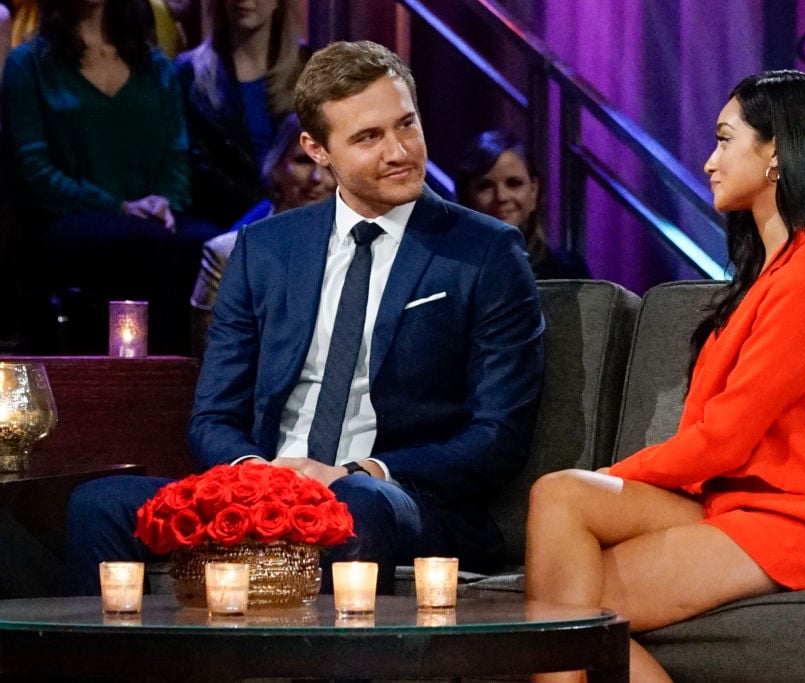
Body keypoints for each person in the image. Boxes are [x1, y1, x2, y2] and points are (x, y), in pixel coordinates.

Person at [66, 40, 545, 596]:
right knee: (97, 505)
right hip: (267, 485)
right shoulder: (264, 248)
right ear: (317, 149)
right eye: (368, 137)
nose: (398, 151)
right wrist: (258, 475)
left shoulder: (485, 251)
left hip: (401, 495)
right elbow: (213, 416)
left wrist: (360, 472)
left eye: (406, 125)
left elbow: (497, 435)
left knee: (355, 504)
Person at [524, 70, 805, 682]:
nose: (708, 162)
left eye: (725, 140)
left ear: (777, 152)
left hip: (798, 524)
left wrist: (611, 477)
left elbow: (723, 439)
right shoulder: (770, 272)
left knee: (562, 606)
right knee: (558, 528)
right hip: (735, 505)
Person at [0, 0, 220, 354]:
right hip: (67, 220)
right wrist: (119, 207)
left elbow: (176, 156)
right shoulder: (28, 64)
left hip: (153, 220)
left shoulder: (156, 66)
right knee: (147, 244)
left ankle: (188, 378)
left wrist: (164, 201)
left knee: (210, 245)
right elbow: (35, 170)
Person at [189, 111, 337, 356]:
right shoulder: (228, 255)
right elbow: (215, 361)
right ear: (277, 166)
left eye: (329, 166)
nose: (317, 177)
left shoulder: (366, 251)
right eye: (303, 160)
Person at [176, 0, 304, 228]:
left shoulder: (311, 68)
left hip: (301, 215)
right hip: (224, 222)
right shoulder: (189, 74)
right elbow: (199, 171)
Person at [455, 129, 590, 279]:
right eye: (485, 186)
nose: (501, 197)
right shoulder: (446, 273)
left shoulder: (567, 272)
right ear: (467, 197)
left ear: (533, 191)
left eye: (514, 183)